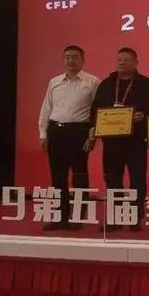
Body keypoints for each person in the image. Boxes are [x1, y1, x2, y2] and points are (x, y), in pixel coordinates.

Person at [89, 47, 149, 231]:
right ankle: (114, 219)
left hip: (136, 141)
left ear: (136, 62)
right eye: (119, 59)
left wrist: (143, 116)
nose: (122, 62)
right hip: (112, 142)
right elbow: (95, 110)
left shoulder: (147, 85)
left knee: (137, 179)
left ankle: (135, 218)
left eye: (126, 59)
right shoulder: (106, 84)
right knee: (112, 180)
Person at [38, 44, 99, 230]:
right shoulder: (54, 81)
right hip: (56, 131)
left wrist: (92, 136)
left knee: (79, 176)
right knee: (57, 176)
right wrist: (43, 134)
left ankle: (77, 218)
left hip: (78, 132)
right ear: (63, 60)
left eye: (75, 57)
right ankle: (60, 217)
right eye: (67, 57)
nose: (70, 60)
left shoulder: (92, 82)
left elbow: (97, 113)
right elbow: (46, 109)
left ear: (83, 60)